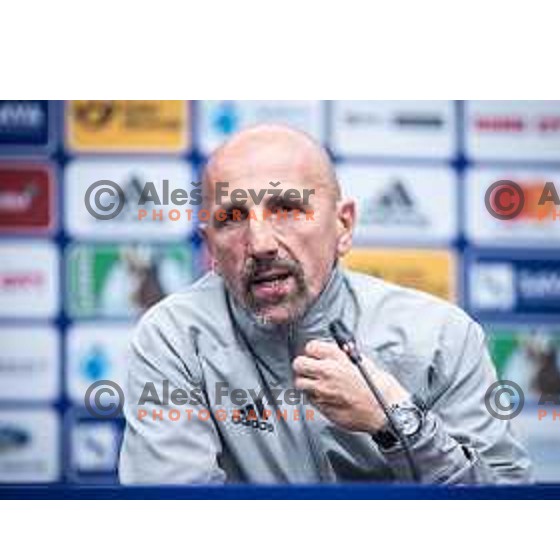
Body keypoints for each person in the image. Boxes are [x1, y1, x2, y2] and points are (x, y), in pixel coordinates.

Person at [119, 125, 531, 484]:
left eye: (286, 209)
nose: (260, 244)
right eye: (232, 218)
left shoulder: (441, 336)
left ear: (343, 225)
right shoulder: (174, 337)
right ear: (210, 246)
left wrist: (395, 423)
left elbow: (510, 509)